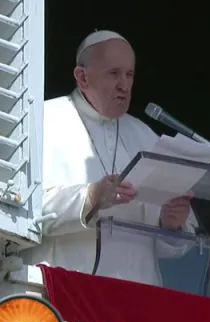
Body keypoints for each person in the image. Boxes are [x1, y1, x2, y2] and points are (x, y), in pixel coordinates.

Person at [22, 31, 195, 285]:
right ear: (82, 77)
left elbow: (172, 249)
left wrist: (171, 224)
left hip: (136, 295)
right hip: (63, 289)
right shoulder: (43, 121)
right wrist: (91, 197)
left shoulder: (145, 136)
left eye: (129, 74)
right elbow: (22, 213)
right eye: (114, 73)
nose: (124, 85)